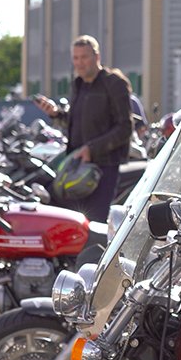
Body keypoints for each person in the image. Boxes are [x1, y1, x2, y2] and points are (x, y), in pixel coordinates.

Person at [33, 34, 132, 221]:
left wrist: (91, 149)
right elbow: (77, 122)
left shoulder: (114, 83)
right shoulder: (78, 85)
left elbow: (125, 128)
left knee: (94, 224)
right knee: (71, 220)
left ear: (97, 57)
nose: (79, 63)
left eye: (84, 57)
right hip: (76, 164)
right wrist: (55, 114)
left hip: (103, 167)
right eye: (75, 58)